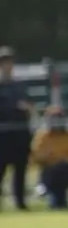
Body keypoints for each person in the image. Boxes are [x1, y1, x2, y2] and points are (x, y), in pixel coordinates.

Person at [29, 105, 68, 211]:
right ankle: (54, 199)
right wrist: (52, 158)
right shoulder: (43, 136)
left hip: (67, 170)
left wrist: (66, 160)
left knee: (63, 168)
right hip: (50, 170)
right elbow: (36, 155)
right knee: (55, 172)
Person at [0, 46, 33, 211]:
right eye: (4, 62)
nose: (7, 65)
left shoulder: (20, 86)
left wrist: (26, 108)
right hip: (3, 135)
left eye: (9, 62)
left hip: (19, 134)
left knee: (20, 171)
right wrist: (14, 107)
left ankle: (20, 202)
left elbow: (28, 104)